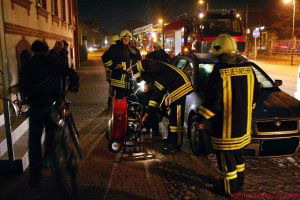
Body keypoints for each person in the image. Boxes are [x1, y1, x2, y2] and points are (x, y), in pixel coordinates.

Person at [197, 34, 260, 196]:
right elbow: (256, 92)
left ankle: (227, 188)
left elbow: (213, 101)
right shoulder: (249, 68)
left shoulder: (220, 71)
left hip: (225, 128)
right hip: (243, 126)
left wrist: (202, 117)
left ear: (221, 51)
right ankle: (239, 183)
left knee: (226, 160)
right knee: (238, 157)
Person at [20, 40, 65, 188]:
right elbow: (63, 75)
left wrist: (27, 98)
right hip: (50, 105)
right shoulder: (51, 62)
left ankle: (35, 174)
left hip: (35, 107)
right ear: (46, 50)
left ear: (33, 51)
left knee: (34, 140)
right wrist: (60, 98)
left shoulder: (27, 64)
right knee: (51, 132)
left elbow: (23, 86)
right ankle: (48, 158)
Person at [132, 59, 193, 153]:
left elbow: (155, 98)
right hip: (175, 87)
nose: (144, 82)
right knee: (172, 116)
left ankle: (176, 145)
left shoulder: (158, 75)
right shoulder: (156, 68)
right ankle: (171, 140)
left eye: (143, 79)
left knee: (176, 118)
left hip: (180, 89)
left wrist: (146, 116)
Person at [102, 29, 132, 99]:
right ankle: (116, 108)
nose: (126, 40)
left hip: (126, 77)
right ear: (121, 39)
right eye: (125, 39)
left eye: (128, 39)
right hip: (118, 77)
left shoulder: (127, 48)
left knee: (125, 97)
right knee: (119, 97)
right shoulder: (115, 47)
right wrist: (114, 66)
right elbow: (104, 57)